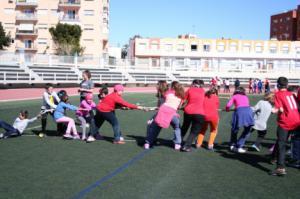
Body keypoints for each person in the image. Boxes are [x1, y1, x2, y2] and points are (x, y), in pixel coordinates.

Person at [270, 77, 300, 176]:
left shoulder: (278, 94)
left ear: (278, 85)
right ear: (287, 85)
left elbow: (276, 109)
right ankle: (275, 157)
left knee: (281, 144)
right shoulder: (291, 94)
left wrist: (272, 110)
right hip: (297, 120)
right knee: (292, 141)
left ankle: (280, 168)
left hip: (286, 122)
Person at [144, 81, 185, 150]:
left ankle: (148, 143)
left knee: (155, 128)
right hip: (172, 114)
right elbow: (179, 107)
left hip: (163, 111)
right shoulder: (181, 97)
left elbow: (161, 103)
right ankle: (177, 144)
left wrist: (151, 109)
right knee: (177, 127)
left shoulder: (167, 93)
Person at [226, 87, 254, 153]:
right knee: (247, 130)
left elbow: (228, 105)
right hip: (248, 111)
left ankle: (233, 145)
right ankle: (239, 145)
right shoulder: (246, 97)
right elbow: (245, 104)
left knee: (235, 129)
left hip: (239, 112)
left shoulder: (234, 96)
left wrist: (227, 109)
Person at [181, 80, 206, 152]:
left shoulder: (190, 90)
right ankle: (186, 146)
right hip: (199, 113)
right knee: (194, 131)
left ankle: (178, 142)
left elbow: (183, 100)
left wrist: (181, 107)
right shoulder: (203, 91)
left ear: (193, 84)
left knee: (185, 127)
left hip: (188, 111)